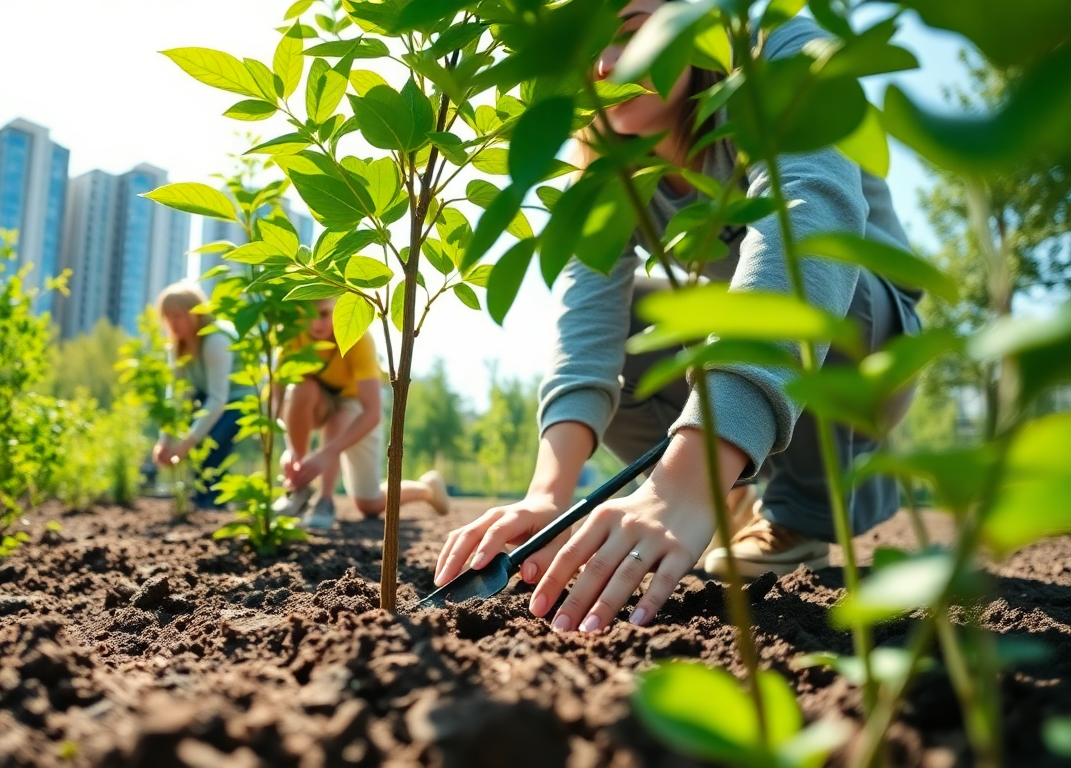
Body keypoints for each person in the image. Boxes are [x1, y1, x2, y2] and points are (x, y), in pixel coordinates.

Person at [435, 3, 921, 633]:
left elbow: (812, 216)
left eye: (635, 31)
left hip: (866, 348)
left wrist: (683, 483)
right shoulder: (609, 166)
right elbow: (588, 328)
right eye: (588, 49)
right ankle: (732, 492)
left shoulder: (775, 48)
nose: (609, 66)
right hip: (747, 366)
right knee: (643, 324)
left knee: (828, 275)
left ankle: (795, 513)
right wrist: (547, 497)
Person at [274, 296, 449, 530]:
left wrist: (327, 453)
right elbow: (276, 402)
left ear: (338, 308)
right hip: (316, 402)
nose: (316, 323)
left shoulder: (358, 338)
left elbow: (372, 413)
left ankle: (427, 489)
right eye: (308, 314)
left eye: (325, 314)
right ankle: (299, 490)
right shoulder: (290, 335)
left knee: (368, 503)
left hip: (355, 408)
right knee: (302, 386)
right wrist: (291, 450)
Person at [151, 282, 253, 510]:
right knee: (202, 444)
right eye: (168, 317)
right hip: (210, 397)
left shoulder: (215, 339)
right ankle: (204, 503)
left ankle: (213, 505)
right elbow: (176, 398)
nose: (173, 324)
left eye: (179, 316)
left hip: (241, 400)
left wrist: (188, 442)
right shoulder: (178, 348)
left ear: (196, 313)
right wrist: (165, 441)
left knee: (212, 445)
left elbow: (219, 398)